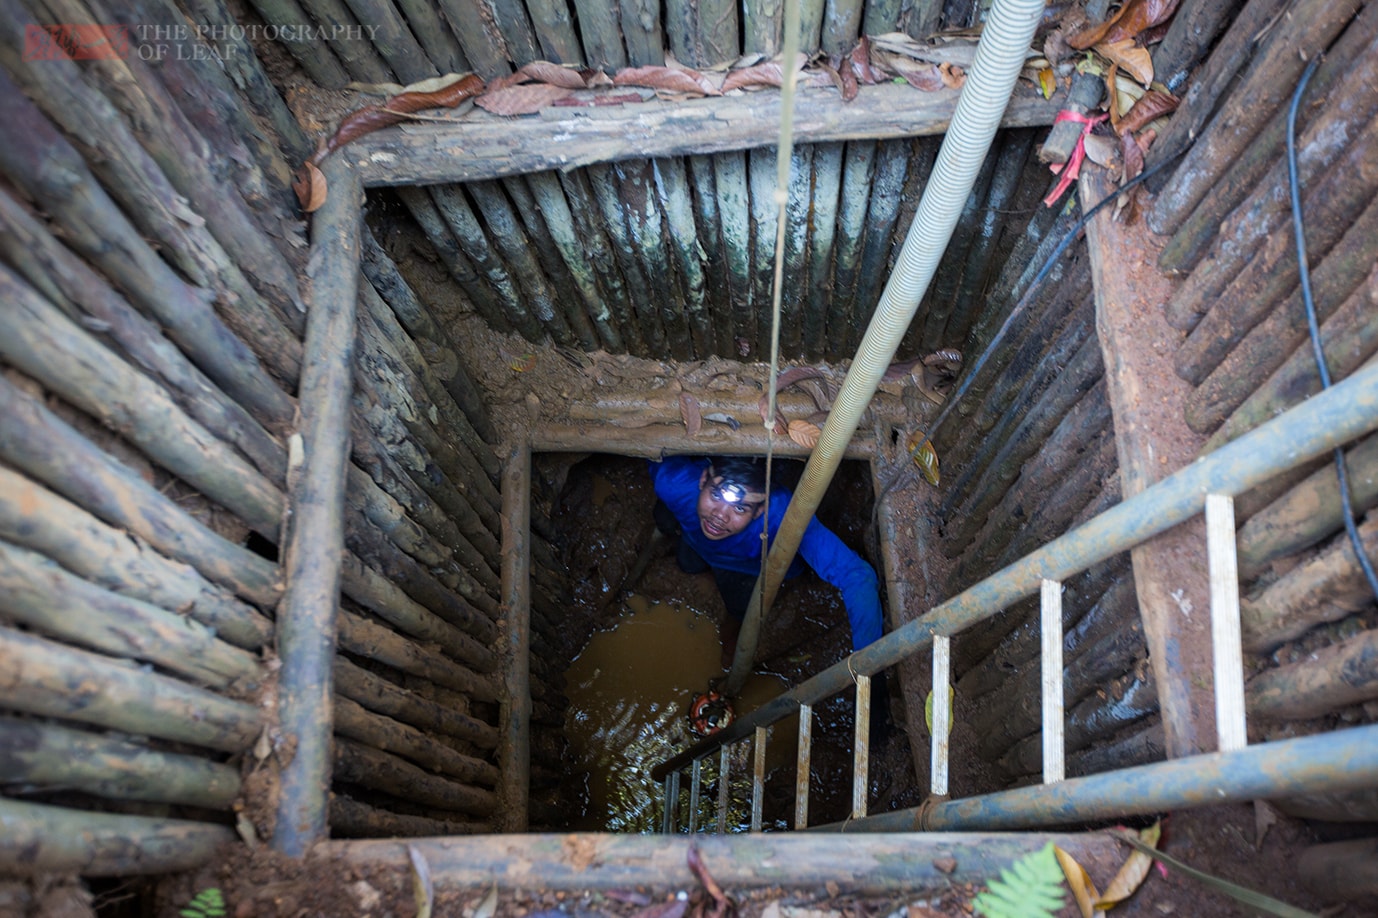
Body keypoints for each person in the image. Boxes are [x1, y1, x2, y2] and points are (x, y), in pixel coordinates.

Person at [647, 454, 884, 666]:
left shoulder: (784, 515)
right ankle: (708, 574)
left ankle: (730, 645)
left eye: (740, 509)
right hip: (696, 541)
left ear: (760, 510)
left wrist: (869, 673)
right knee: (687, 562)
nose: (719, 515)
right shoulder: (671, 481)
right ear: (702, 480)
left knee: (739, 610)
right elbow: (649, 447)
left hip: (747, 567)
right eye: (716, 494)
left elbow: (856, 575)